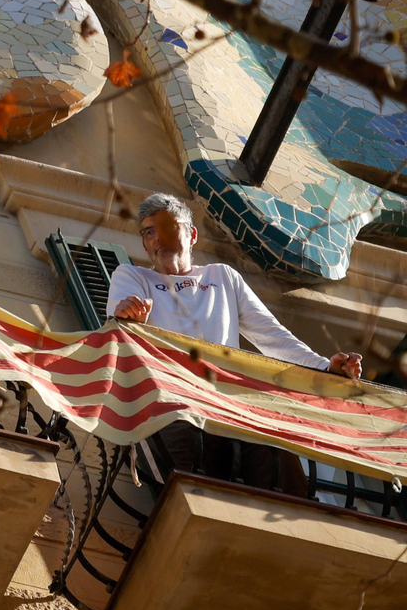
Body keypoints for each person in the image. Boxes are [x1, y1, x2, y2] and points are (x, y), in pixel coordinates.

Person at [108, 191, 363, 492]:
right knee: (193, 489)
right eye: (149, 232)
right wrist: (128, 320)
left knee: (277, 458)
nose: (157, 238)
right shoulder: (133, 276)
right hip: (173, 405)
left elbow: (272, 336)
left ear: (191, 235)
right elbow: (117, 330)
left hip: (229, 406)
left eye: (167, 227)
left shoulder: (222, 276)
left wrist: (325, 368)